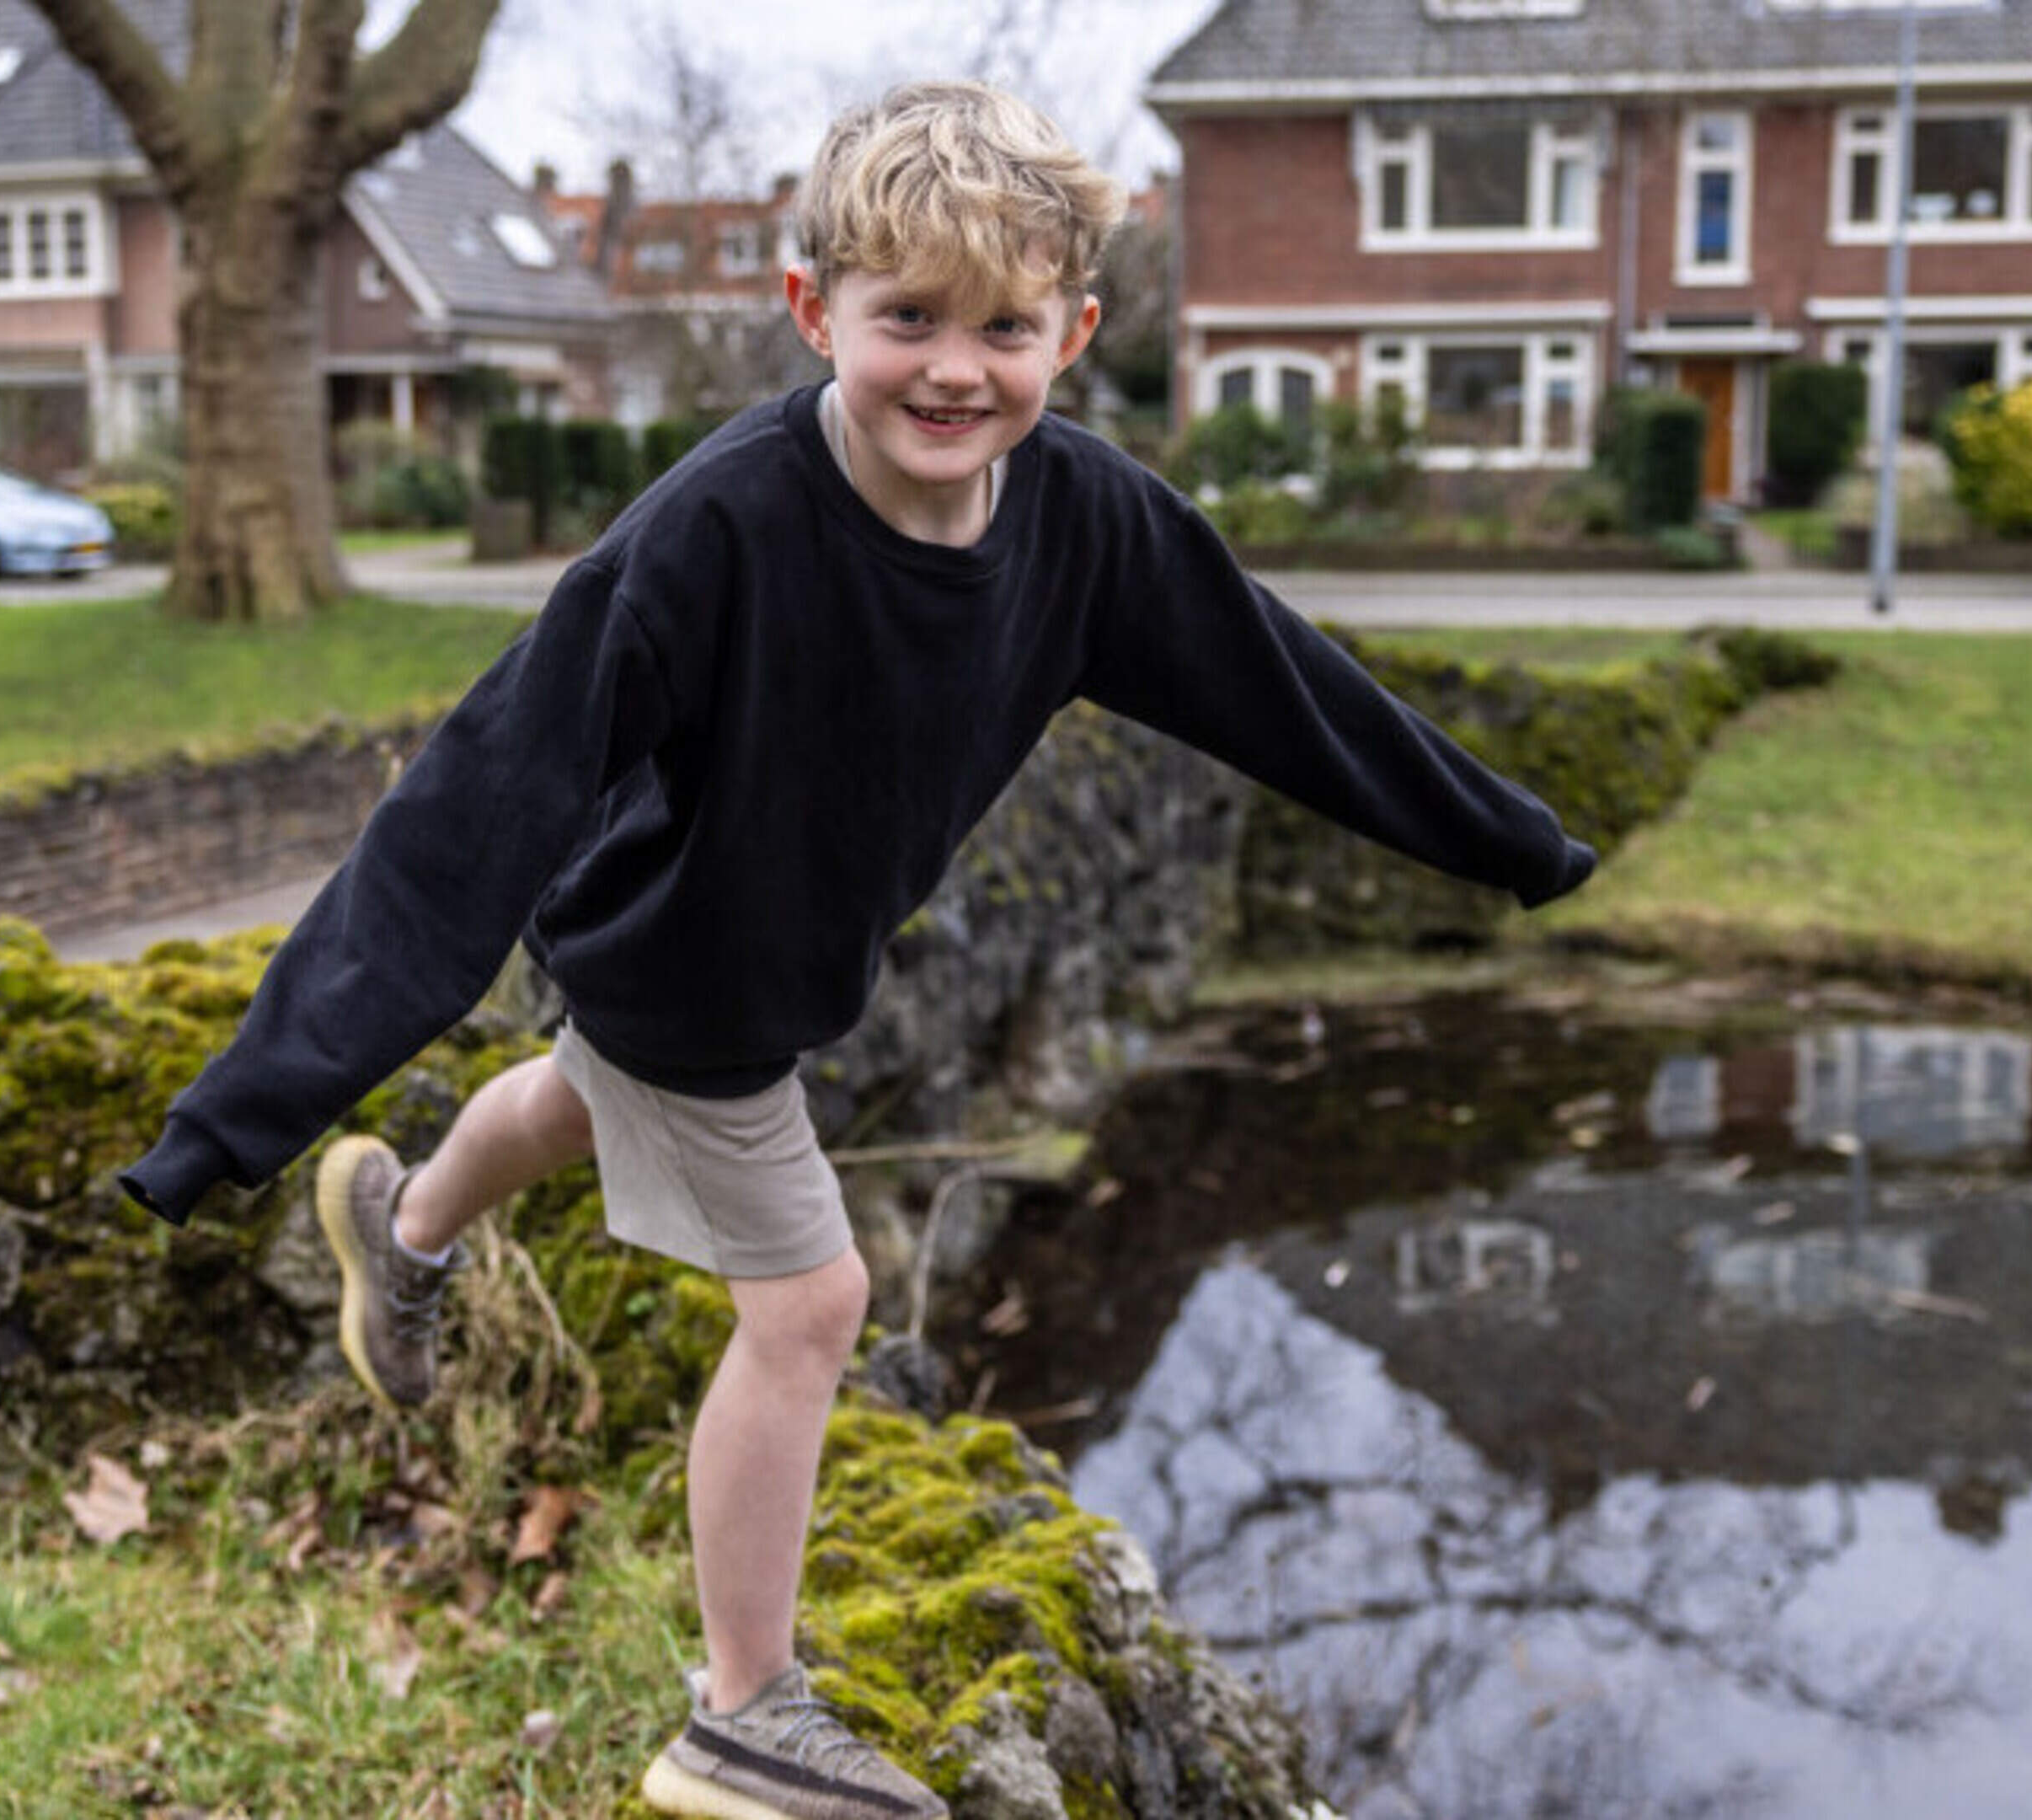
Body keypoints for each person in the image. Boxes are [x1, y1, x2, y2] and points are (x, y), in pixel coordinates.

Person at [118, 78, 1599, 1820]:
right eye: (907, 320)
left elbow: (1278, 682)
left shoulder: (1084, 523)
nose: (956, 370)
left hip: (766, 954)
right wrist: (248, 1101)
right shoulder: (717, 527)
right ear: (816, 312)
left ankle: (405, 1223)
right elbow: (475, 798)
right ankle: (742, 1711)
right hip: (698, 967)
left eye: (1005, 326)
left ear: (1076, 332)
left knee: (580, 1098)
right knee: (812, 1305)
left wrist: (1504, 836)